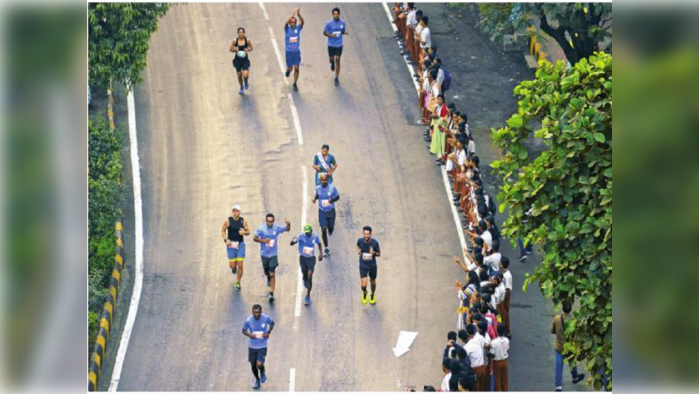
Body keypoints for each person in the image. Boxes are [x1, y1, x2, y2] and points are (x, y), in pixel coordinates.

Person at [253, 213, 291, 303]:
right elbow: (254, 238)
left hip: (273, 255)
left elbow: (287, 229)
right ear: (266, 221)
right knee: (267, 272)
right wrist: (263, 240)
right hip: (264, 255)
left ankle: (271, 293)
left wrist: (288, 224)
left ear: (273, 221)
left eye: (271, 221)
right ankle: (268, 278)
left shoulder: (276, 228)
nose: (270, 223)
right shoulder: (261, 229)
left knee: (272, 273)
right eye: (268, 221)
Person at [552, 301, 585, 391]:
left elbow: (552, 330)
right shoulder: (573, 320)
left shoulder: (557, 318)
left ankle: (558, 386)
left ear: (562, 308)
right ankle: (575, 377)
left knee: (559, 366)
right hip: (570, 346)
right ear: (570, 309)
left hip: (559, 347)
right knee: (572, 361)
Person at [242, 304, 275, 390]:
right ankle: (257, 379)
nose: (256, 314)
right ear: (252, 312)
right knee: (253, 365)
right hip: (252, 346)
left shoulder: (265, 318)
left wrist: (268, 332)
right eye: (255, 313)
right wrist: (250, 335)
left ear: (261, 312)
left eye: (258, 312)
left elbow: (272, 323)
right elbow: (243, 330)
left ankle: (262, 371)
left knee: (259, 364)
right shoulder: (249, 320)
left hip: (262, 345)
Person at [290, 224, 323, 305]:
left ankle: (308, 295)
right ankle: (304, 279)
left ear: (311, 231)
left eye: (309, 232)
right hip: (303, 258)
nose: (307, 234)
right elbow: (291, 243)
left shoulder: (315, 236)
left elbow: (319, 244)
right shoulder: (301, 236)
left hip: (311, 259)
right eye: (306, 232)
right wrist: (293, 239)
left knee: (309, 276)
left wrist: (320, 253)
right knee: (305, 276)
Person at [222, 204, 250, 291]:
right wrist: (226, 239)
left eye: (237, 211)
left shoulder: (243, 221)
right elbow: (222, 231)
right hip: (231, 245)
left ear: (240, 212)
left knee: (240, 265)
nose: (235, 212)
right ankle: (233, 268)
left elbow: (248, 231)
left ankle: (238, 282)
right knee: (232, 265)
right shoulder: (227, 221)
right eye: (233, 211)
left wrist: (244, 232)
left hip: (240, 244)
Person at [312, 173, 340, 257]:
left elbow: (338, 197)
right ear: (320, 180)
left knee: (330, 228)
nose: (323, 181)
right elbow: (317, 195)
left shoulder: (332, 188)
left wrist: (332, 200)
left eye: (325, 180)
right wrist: (314, 198)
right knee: (323, 229)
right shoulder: (318, 188)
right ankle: (326, 248)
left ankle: (330, 229)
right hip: (322, 211)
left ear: (327, 180)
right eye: (322, 180)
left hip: (331, 211)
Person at [356, 226, 381, 305]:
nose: (366, 236)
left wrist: (373, 252)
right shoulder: (360, 241)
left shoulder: (374, 243)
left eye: (368, 234)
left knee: (372, 282)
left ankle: (372, 295)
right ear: (363, 233)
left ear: (370, 234)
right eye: (365, 234)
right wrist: (358, 251)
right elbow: (357, 246)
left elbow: (379, 254)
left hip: (372, 266)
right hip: (363, 265)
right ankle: (364, 293)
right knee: (363, 284)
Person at [323, 7, 348, 86]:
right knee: (332, 59)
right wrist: (331, 35)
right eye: (334, 14)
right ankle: (331, 63)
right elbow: (324, 33)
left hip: (339, 44)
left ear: (339, 14)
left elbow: (342, 31)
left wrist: (345, 33)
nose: (336, 16)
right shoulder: (328, 23)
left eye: (337, 14)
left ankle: (336, 78)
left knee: (338, 59)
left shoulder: (342, 23)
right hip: (331, 45)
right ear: (332, 15)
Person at [284, 8, 305, 91]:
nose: (293, 23)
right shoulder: (286, 28)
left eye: (294, 22)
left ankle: (295, 83)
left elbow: (302, 22)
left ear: (295, 23)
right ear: (290, 23)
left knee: (296, 68)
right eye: (291, 22)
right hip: (289, 52)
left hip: (296, 52)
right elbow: (286, 23)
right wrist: (292, 15)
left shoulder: (298, 28)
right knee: (290, 68)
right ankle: (288, 70)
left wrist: (298, 15)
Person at [230, 27, 254, 94]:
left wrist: (248, 50)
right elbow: (230, 49)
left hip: (244, 60)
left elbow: (251, 47)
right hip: (237, 60)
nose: (241, 33)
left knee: (245, 75)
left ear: (244, 33)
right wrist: (234, 50)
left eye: (242, 32)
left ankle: (246, 81)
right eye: (240, 32)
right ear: (237, 33)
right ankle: (241, 87)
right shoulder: (235, 41)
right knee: (239, 75)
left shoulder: (247, 40)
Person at [464, 325, 487, 391]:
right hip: (483, 367)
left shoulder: (467, 347)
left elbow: (465, 359)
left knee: (476, 388)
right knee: (482, 387)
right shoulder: (477, 340)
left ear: (468, 334)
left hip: (476, 370)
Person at [490, 325, 509, 391]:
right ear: (504, 332)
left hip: (497, 362)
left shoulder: (494, 342)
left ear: (496, 331)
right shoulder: (506, 340)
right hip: (505, 361)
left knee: (497, 380)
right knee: (505, 379)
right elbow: (507, 349)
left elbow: (492, 354)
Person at [500, 257, 512, 338]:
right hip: (507, 292)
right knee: (505, 311)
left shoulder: (506, 276)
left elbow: (507, 287)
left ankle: (506, 331)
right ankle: (506, 330)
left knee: (503, 312)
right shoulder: (507, 272)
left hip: (506, 293)